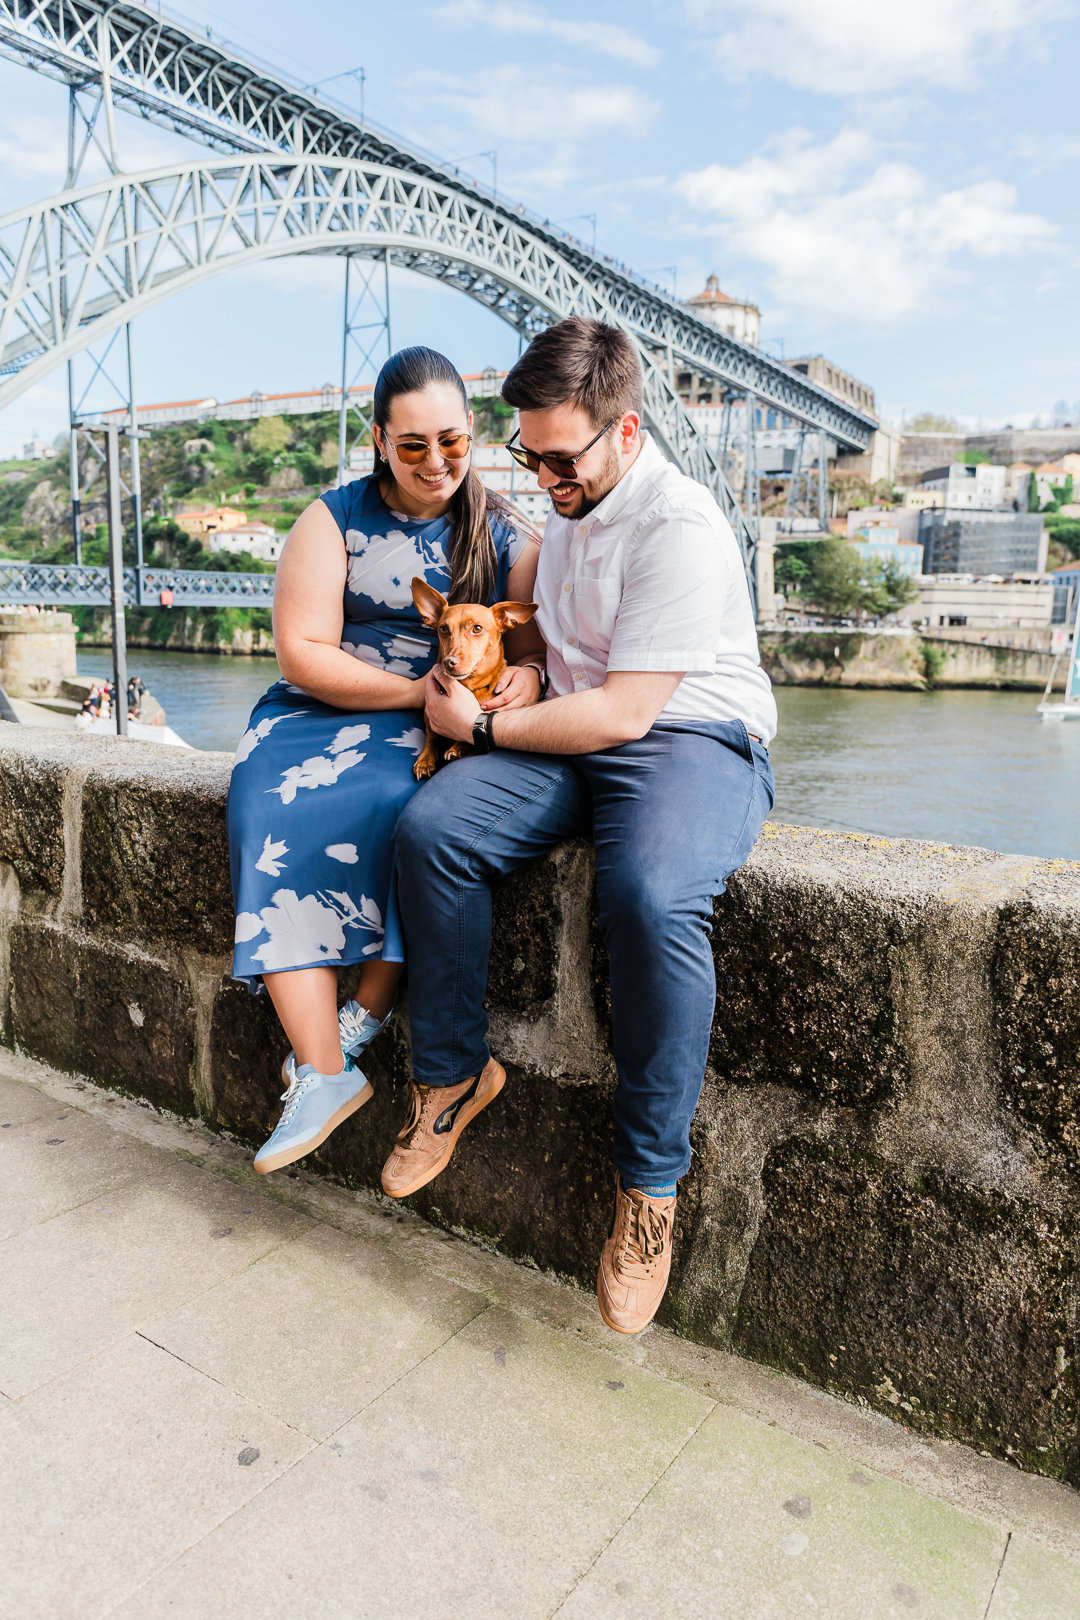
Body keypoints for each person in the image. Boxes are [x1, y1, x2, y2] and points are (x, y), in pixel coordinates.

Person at [386, 316, 777, 1335]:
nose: (546, 478)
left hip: (688, 739)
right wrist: (518, 677)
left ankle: (648, 1193)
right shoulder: (568, 509)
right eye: (530, 455)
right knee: (431, 830)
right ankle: (452, 1077)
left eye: (563, 458)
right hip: (572, 728)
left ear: (628, 432)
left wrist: (479, 721)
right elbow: (559, 665)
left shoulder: (679, 526)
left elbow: (626, 713)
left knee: (648, 897)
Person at [226, 347, 544, 1176]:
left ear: (472, 435)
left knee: (409, 807)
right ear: (378, 440)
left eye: (452, 442)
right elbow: (301, 651)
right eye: (412, 447)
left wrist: (522, 680)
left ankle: (355, 1023)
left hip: (440, 722)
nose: (436, 463)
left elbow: (538, 655)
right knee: (267, 804)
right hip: (329, 707)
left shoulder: (507, 533)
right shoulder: (331, 520)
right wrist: (417, 694)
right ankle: (326, 1070)